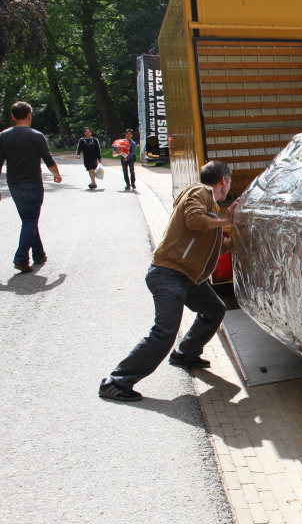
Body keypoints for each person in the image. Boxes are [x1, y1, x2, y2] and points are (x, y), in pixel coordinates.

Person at [100, 160, 240, 402]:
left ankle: (185, 353)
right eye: (230, 181)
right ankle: (116, 381)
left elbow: (212, 246)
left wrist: (240, 240)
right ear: (224, 180)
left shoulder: (211, 207)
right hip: (168, 274)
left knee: (214, 309)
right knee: (164, 332)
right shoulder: (200, 192)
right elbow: (194, 221)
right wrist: (227, 221)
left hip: (188, 277)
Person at [0, 101, 63, 273]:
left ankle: (39, 254)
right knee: (30, 220)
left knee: (29, 220)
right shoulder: (36, 135)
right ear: (29, 115)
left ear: (13, 116)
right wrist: (57, 175)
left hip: (14, 186)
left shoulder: (3, 136)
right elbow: (48, 159)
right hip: (32, 184)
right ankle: (21, 258)